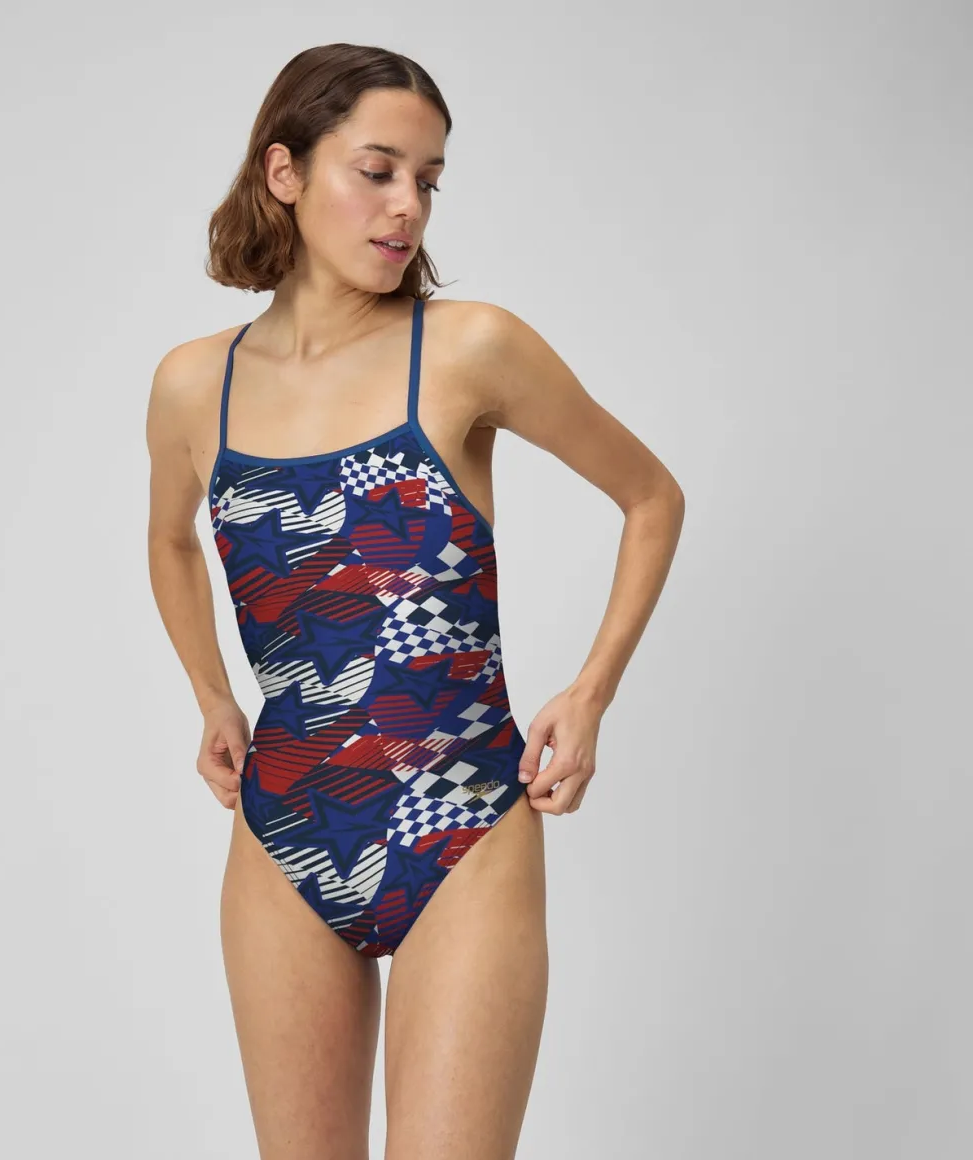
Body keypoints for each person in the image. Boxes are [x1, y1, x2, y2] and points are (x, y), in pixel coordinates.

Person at [145, 42, 684, 1160]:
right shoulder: (198, 383)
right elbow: (168, 539)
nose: (408, 207)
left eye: (428, 181)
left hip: (464, 821)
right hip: (285, 828)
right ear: (285, 172)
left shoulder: (466, 349)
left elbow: (649, 497)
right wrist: (211, 694)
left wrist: (589, 694)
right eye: (378, 171)